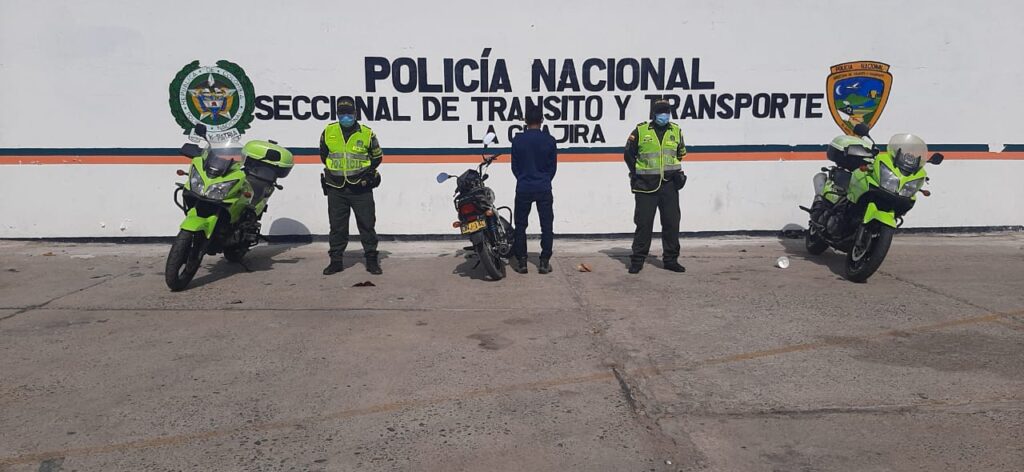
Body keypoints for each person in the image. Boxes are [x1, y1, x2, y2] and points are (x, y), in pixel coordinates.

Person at [319, 98, 384, 275]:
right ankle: (336, 261)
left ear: (355, 114)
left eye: (349, 113)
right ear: (337, 114)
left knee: (367, 225)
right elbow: (324, 156)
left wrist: (368, 174)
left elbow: (377, 157)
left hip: (361, 188)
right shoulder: (328, 131)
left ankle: (371, 260)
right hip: (336, 187)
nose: (345, 117)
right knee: (337, 226)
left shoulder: (367, 133)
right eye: (342, 114)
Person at [623, 99, 688, 274]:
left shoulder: (676, 131)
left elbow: (681, 153)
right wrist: (636, 173)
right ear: (653, 114)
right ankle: (637, 261)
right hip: (645, 186)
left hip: (669, 185)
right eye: (660, 112)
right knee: (644, 224)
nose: (664, 115)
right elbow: (628, 154)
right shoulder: (641, 130)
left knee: (671, 224)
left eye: (667, 112)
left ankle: (671, 260)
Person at [510, 107, 557, 274]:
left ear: (525, 121)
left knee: (520, 225)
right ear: (542, 120)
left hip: (524, 187)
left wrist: (523, 178)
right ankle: (544, 262)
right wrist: (544, 179)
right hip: (543, 187)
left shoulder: (517, 140)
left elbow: (515, 167)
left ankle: (522, 262)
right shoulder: (550, 140)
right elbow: (552, 168)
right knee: (546, 225)